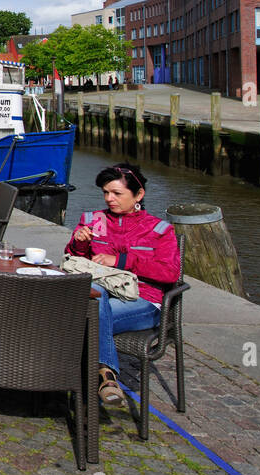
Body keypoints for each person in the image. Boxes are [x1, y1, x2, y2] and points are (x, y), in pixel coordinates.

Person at [64, 163, 180, 407]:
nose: (109, 199)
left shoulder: (159, 230)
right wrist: (80, 243)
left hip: (143, 301)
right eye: (106, 192)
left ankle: (63, 379)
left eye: (117, 193)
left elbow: (170, 273)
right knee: (96, 299)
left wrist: (122, 261)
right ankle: (106, 376)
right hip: (100, 295)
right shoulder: (93, 220)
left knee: (80, 316)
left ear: (138, 195)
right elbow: (73, 260)